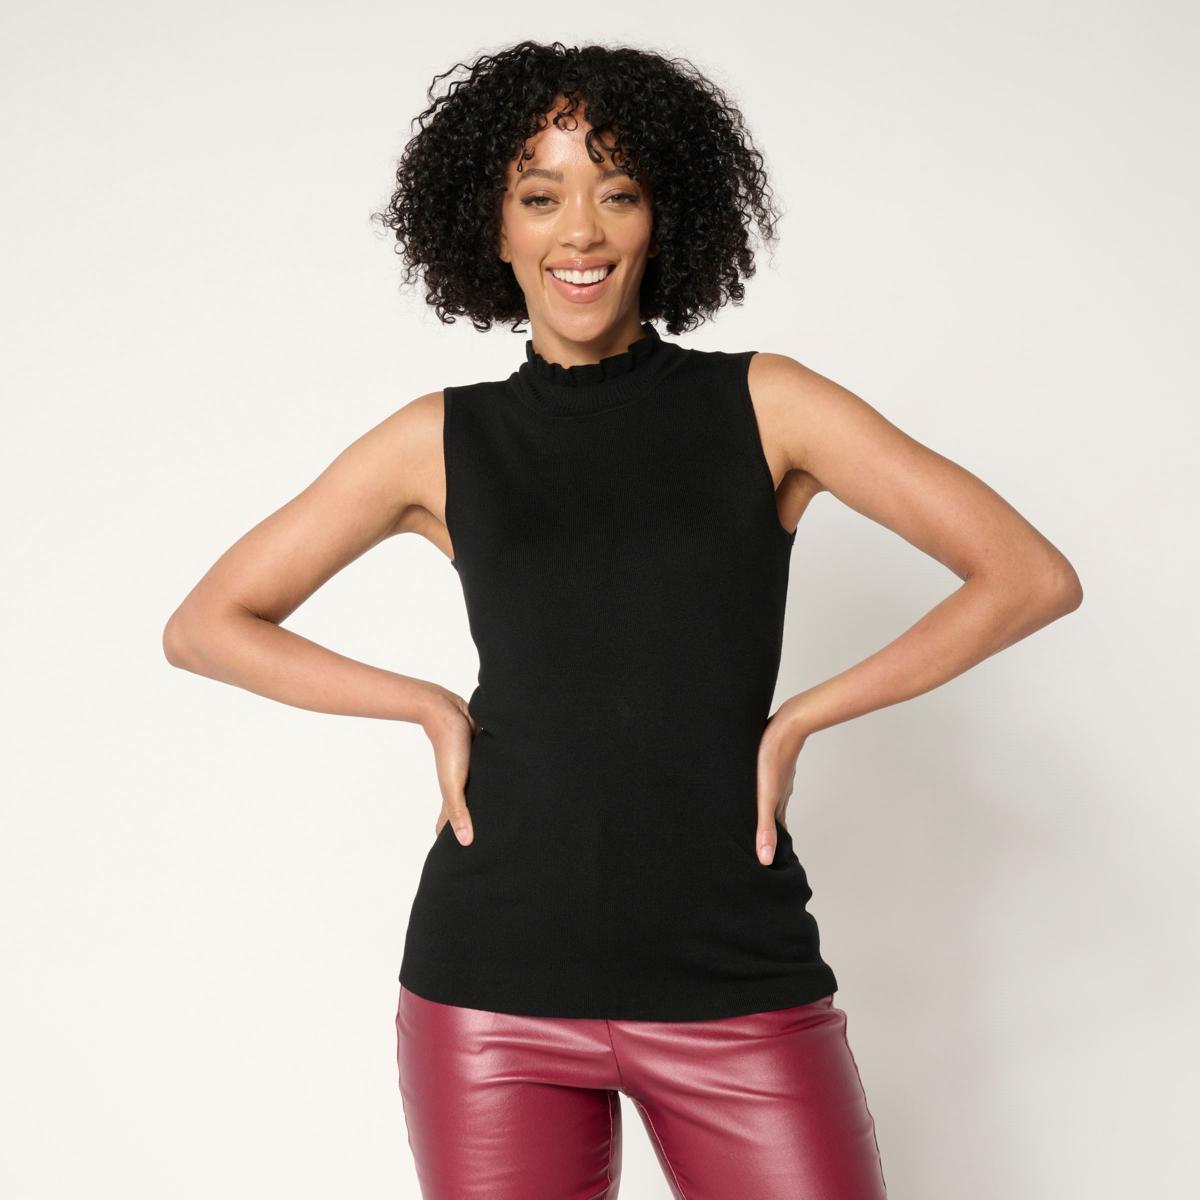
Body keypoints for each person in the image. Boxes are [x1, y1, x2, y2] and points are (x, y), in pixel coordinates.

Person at [163, 39, 1082, 1200]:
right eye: (540, 197)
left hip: (732, 969)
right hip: (490, 988)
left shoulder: (769, 406)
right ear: (494, 230)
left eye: (619, 193)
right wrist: (426, 706)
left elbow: (1026, 575)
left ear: (665, 219)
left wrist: (803, 718)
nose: (581, 232)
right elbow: (208, 625)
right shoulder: (439, 440)